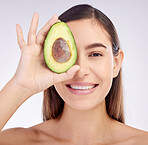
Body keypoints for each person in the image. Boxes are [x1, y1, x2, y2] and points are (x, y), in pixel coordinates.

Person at [0, 4, 148, 145]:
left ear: (116, 63)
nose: (80, 70)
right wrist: (20, 85)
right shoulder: (17, 141)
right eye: (66, 53)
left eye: (95, 54)